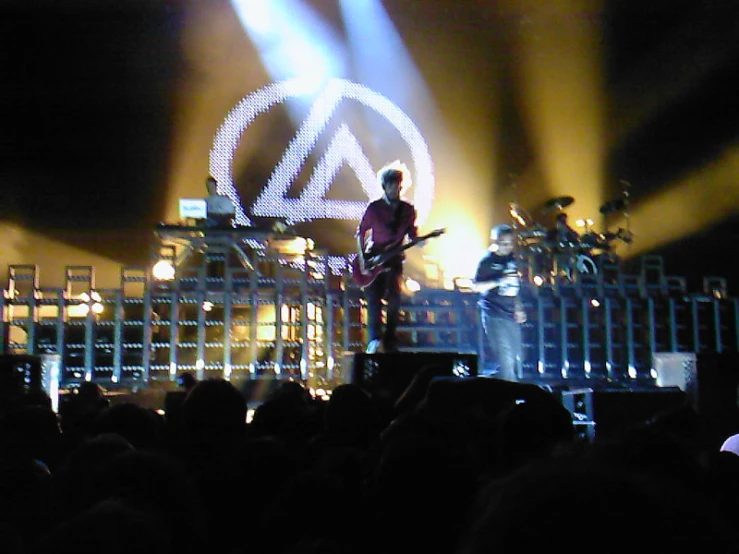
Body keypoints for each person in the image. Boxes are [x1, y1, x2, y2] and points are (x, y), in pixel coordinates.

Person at [356, 163, 418, 354]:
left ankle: (390, 340)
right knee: (374, 299)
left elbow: (412, 233)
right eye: (392, 185)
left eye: (399, 184)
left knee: (394, 299)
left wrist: (420, 240)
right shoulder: (375, 208)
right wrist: (362, 260)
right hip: (375, 256)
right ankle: (374, 340)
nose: (396, 188)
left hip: (395, 259)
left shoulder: (408, 210)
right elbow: (360, 233)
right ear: (385, 186)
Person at [473, 224, 526, 381]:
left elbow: (514, 286)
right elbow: (476, 286)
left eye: (510, 243)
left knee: (517, 356)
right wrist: (499, 280)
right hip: (493, 314)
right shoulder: (487, 261)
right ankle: (513, 397)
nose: (507, 247)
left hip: (509, 314)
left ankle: (492, 384)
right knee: (506, 357)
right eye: (504, 243)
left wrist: (518, 307)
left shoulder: (511, 259)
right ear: (494, 241)